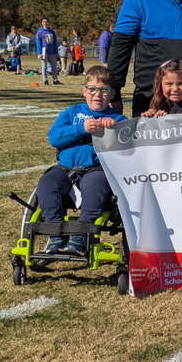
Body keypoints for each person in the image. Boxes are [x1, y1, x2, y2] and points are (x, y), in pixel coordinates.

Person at [35, 65, 129, 255]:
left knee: (95, 189)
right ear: (84, 91)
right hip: (65, 168)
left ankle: (80, 236)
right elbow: (54, 138)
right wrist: (80, 129)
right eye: (92, 89)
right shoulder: (72, 113)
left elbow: (128, 149)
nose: (98, 95)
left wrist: (115, 131)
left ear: (111, 94)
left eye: (104, 90)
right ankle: (55, 235)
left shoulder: (118, 118)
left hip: (96, 169)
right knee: (46, 185)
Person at [35, 17, 61, 85]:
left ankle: (55, 80)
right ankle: (45, 80)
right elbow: (38, 43)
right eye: (44, 22)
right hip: (44, 51)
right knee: (44, 66)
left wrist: (56, 52)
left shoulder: (52, 32)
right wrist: (39, 53)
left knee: (54, 65)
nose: (45, 23)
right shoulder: (39, 32)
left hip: (52, 51)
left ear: (48, 23)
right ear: (42, 23)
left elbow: (55, 43)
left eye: (46, 21)